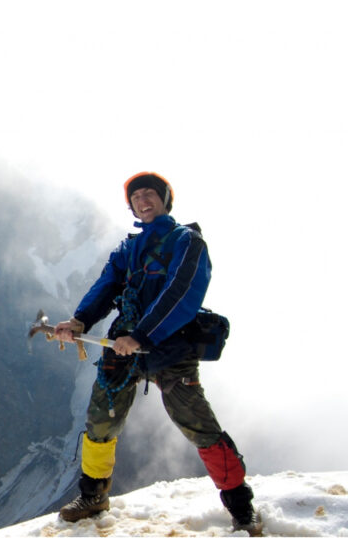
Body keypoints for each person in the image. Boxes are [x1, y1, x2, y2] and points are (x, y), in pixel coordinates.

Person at [53, 171, 262, 536]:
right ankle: (93, 497)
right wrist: (79, 321)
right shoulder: (128, 249)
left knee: (199, 426)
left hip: (169, 346)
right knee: (100, 419)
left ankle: (241, 506)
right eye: (136, 197)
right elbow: (106, 286)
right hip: (126, 347)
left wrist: (142, 334)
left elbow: (183, 292)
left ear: (165, 199)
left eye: (149, 194)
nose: (143, 201)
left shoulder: (187, 242)